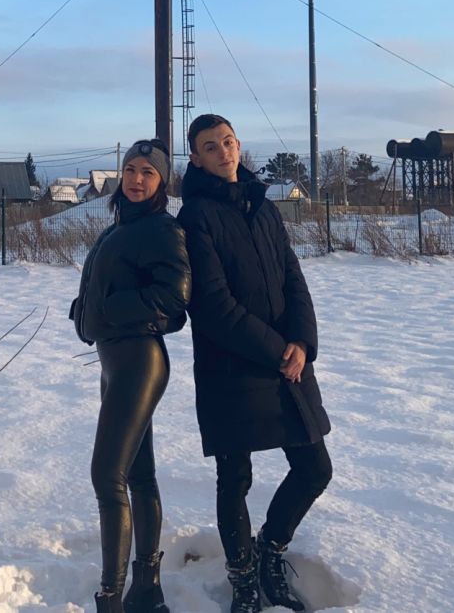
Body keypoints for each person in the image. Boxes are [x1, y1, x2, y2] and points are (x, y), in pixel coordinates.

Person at [177, 115, 332, 612]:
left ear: (238, 145)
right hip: (231, 368)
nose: (223, 152)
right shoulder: (195, 217)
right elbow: (213, 305)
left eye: (228, 141)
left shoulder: (264, 207)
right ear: (196, 158)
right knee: (235, 479)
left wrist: (302, 342)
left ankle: (270, 551)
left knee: (314, 468)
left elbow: (293, 278)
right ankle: (243, 579)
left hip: (289, 363)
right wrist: (278, 351)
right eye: (210, 146)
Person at [70, 138, 191, 613]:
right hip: (115, 359)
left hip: (140, 360)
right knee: (139, 474)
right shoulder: (120, 226)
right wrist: (84, 310)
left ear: (162, 182)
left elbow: (175, 297)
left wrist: (111, 309)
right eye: (131, 170)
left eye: (148, 172)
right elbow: (109, 286)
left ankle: (111, 599)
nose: (137, 179)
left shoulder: (162, 228)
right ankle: (147, 588)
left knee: (107, 475)